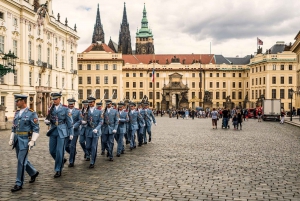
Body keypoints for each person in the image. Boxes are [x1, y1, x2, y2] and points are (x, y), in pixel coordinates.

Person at [9, 94, 40, 192]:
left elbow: (36, 128)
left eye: (17, 101)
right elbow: (14, 127)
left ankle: (19, 183)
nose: (16, 103)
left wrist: (33, 140)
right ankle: (33, 172)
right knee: (21, 159)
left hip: (26, 140)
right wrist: (11, 138)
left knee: (21, 161)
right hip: (17, 139)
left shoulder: (31, 113)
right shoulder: (17, 113)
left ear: (23, 101)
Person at [44, 92, 73, 178]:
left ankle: (58, 169)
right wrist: (47, 122)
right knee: (52, 151)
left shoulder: (65, 109)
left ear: (60, 99)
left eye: (56, 99)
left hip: (62, 131)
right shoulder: (51, 108)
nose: (54, 100)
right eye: (53, 99)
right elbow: (49, 119)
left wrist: (71, 133)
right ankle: (61, 161)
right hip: (53, 130)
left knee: (59, 151)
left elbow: (69, 121)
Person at [81, 96, 103, 168]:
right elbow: (83, 120)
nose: (90, 103)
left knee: (94, 147)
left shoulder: (99, 111)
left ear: (94, 102)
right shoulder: (86, 111)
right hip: (88, 130)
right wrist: (83, 122)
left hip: (95, 131)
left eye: (91, 102)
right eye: (89, 102)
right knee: (87, 147)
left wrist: (97, 128)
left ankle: (92, 161)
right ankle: (90, 154)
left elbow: (101, 121)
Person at [65, 98, 82, 167]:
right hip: (67, 131)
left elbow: (80, 120)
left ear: (74, 104)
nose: (71, 105)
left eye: (72, 104)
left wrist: (74, 126)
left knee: (72, 146)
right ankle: (73, 153)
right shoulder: (65, 110)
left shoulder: (78, 111)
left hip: (75, 131)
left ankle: (71, 161)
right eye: (69, 104)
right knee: (66, 146)